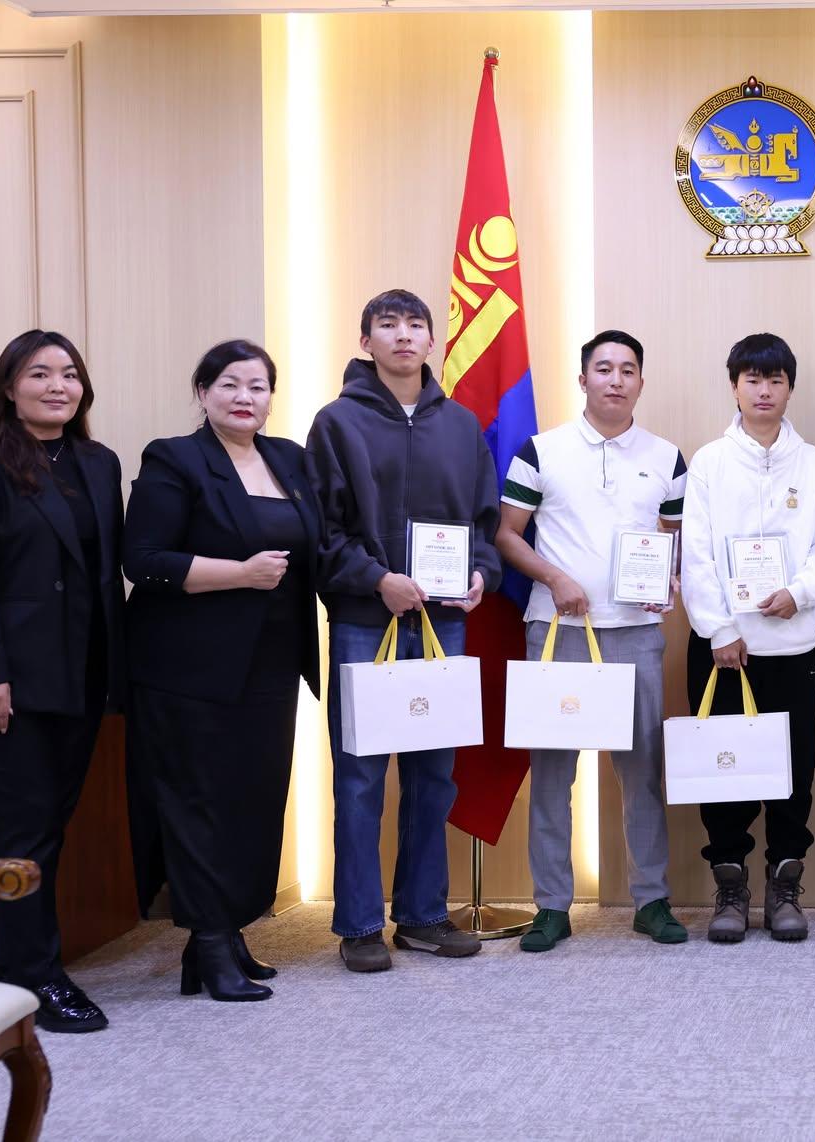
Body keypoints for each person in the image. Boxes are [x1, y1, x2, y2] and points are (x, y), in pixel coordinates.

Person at [0, 330, 125, 1032]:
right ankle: (30, 975)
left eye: (69, 374)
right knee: (26, 827)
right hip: (10, 682)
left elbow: (103, 575)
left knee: (52, 823)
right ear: (9, 387)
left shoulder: (98, 462)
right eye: (39, 374)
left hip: (82, 674)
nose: (57, 386)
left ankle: (29, 963)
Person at [305, 289, 502, 972]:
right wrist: (375, 579)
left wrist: (481, 574)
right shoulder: (336, 423)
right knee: (360, 776)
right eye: (387, 325)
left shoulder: (461, 425)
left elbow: (484, 524)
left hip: (444, 621)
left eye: (415, 324)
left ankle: (421, 916)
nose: (403, 335)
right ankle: (359, 924)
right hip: (366, 619)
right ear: (366, 341)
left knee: (434, 774)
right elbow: (320, 531)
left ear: (431, 340)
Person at [123, 339, 320, 1002]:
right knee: (197, 801)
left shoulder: (289, 459)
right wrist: (238, 574)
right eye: (230, 384)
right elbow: (143, 560)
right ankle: (208, 939)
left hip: (272, 662)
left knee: (251, 800)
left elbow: (320, 547)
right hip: (188, 665)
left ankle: (225, 933)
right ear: (203, 392)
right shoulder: (174, 458)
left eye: (258, 386)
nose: (245, 397)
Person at [497, 330, 689, 950]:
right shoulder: (541, 450)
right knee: (552, 775)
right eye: (603, 368)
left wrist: (668, 580)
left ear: (641, 382)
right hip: (558, 630)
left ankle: (651, 900)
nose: (615, 379)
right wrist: (555, 578)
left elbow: (673, 539)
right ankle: (551, 906)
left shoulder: (667, 457)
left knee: (643, 773)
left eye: (627, 370)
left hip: (636, 632)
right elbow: (506, 534)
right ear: (583, 379)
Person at [682, 333, 815, 944]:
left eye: (775, 380)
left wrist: (799, 593)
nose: (764, 391)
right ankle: (730, 891)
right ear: (734, 386)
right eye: (752, 379)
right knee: (725, 770)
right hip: (725, 650)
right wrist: (721, 629)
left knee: (792, 772)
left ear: (789, 389)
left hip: (794, 643)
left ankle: (784, 889)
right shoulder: (709, 462)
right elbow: (695, 555)